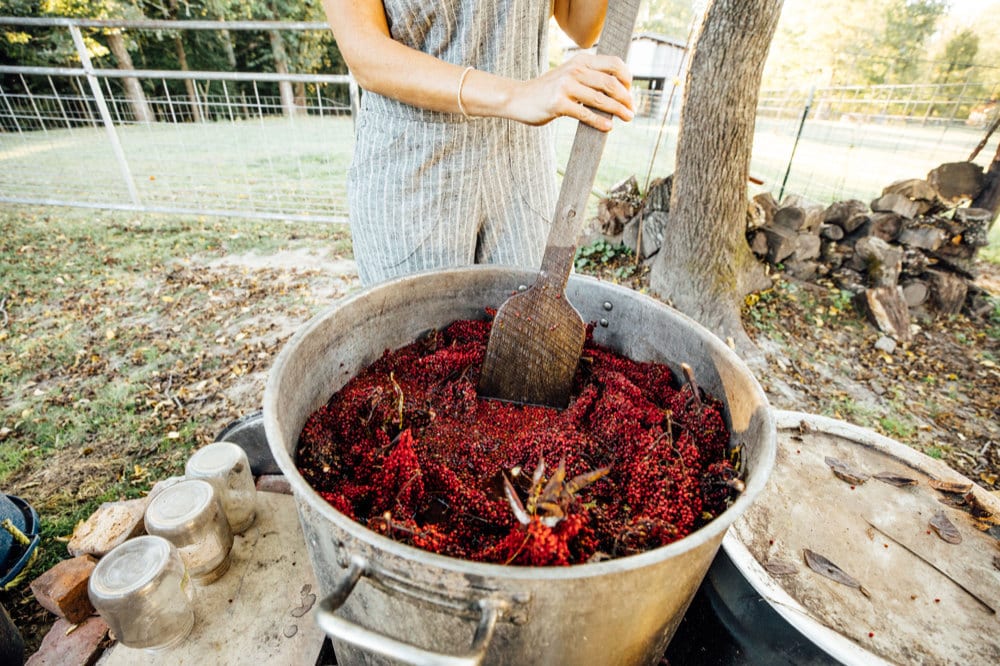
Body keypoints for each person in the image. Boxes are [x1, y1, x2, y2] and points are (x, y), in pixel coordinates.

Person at [322, 0, 635, 285]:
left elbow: (581, 27)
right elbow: (365, 52)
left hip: (524, 170)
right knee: (421, 341)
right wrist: (518, 94)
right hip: (413, 175)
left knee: (536, 339)